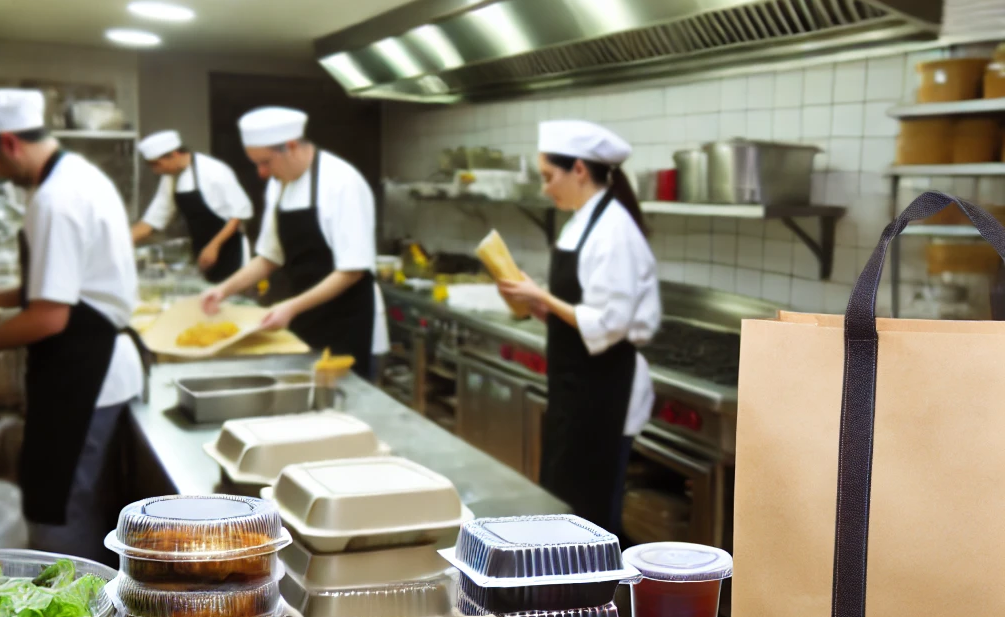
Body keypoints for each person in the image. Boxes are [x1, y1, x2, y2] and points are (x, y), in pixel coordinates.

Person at [0, 89, 143, 563]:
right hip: (88, 364)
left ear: (9, 144)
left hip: (83, 371)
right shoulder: (78, 176)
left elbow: (48, 315)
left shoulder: (54, 199)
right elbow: (53, 286)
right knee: (72, 502)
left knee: (58, 511)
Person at [497, 120, 661, 534]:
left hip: (607, 389)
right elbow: (581, 314)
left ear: (580, 171)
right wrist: (536, 305)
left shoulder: (614, 230)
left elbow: (608, 323)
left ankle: (594, 595)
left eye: (549, 177)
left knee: (590, 511)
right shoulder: (581, 222)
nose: (546, 188)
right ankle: (563, 593)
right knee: (564, 499)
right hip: (577, 387)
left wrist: (544, 297)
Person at [201, 107, 388, 378]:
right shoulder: (279, 184)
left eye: (265, 162)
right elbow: (269, 257)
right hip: (306, 316)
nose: (261, 173)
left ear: (290, 147)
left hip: (347, 322)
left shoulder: (341, 182)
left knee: (345, 405)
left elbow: (351, 271)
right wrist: (223, 290)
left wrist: (290, 307)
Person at [131, 130, 253, 283]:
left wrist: (214, 246)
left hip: (230, 248)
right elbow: (154, 218)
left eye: (157, 164)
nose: (156, 170)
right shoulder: (170, 178)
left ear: (174, 154)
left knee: (233, 299)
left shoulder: (214, 171)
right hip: (201, 249)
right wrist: (124, 241)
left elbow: (240, 214)